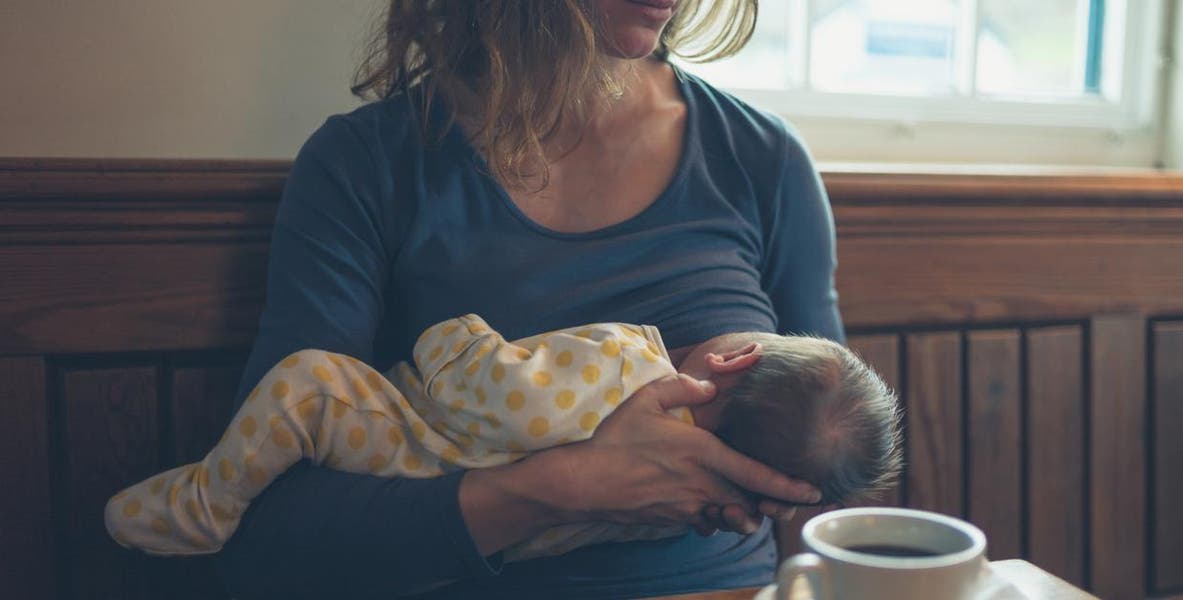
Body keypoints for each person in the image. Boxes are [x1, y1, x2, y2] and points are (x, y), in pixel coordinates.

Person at [214, 1, 847, 598]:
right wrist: (566, 488)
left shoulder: (764, 159)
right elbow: (271, 530)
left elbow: (834, 470)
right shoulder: (365, 165)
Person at [107, 315, 900, 562]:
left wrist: (454, 336)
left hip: (402, 442)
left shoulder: (629, 361)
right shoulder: (686, 505)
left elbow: (486, 391)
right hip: (475, 544)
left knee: (307, 383)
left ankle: (206, 501)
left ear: (732, 357)